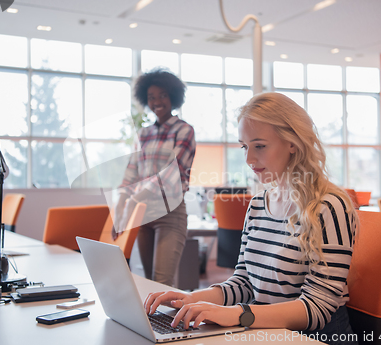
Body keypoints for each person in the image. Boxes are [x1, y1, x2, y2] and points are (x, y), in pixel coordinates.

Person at [144, 92, 358, 345]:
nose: (248, 159)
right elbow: (244, 282)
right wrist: (191, 298)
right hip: (264, 332)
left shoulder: (328, 206)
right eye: (245, 146)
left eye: (260, 146)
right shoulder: (258, 204)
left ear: (293, 143)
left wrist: (239, 314)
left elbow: (318, 308)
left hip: (313, 338)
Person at [112, 68, 196, 287]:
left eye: (163, 95)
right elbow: (132, 171)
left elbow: (172, 172)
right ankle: (150, 323)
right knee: (148, 283)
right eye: (151, 97)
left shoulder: (184, 130)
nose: (157, 101)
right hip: (144, 214)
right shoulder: (144, 134)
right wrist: (120, 206)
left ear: (173, 97)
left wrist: (136, 197)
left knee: (162, 283)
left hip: (170, 212)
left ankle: (168, 323)